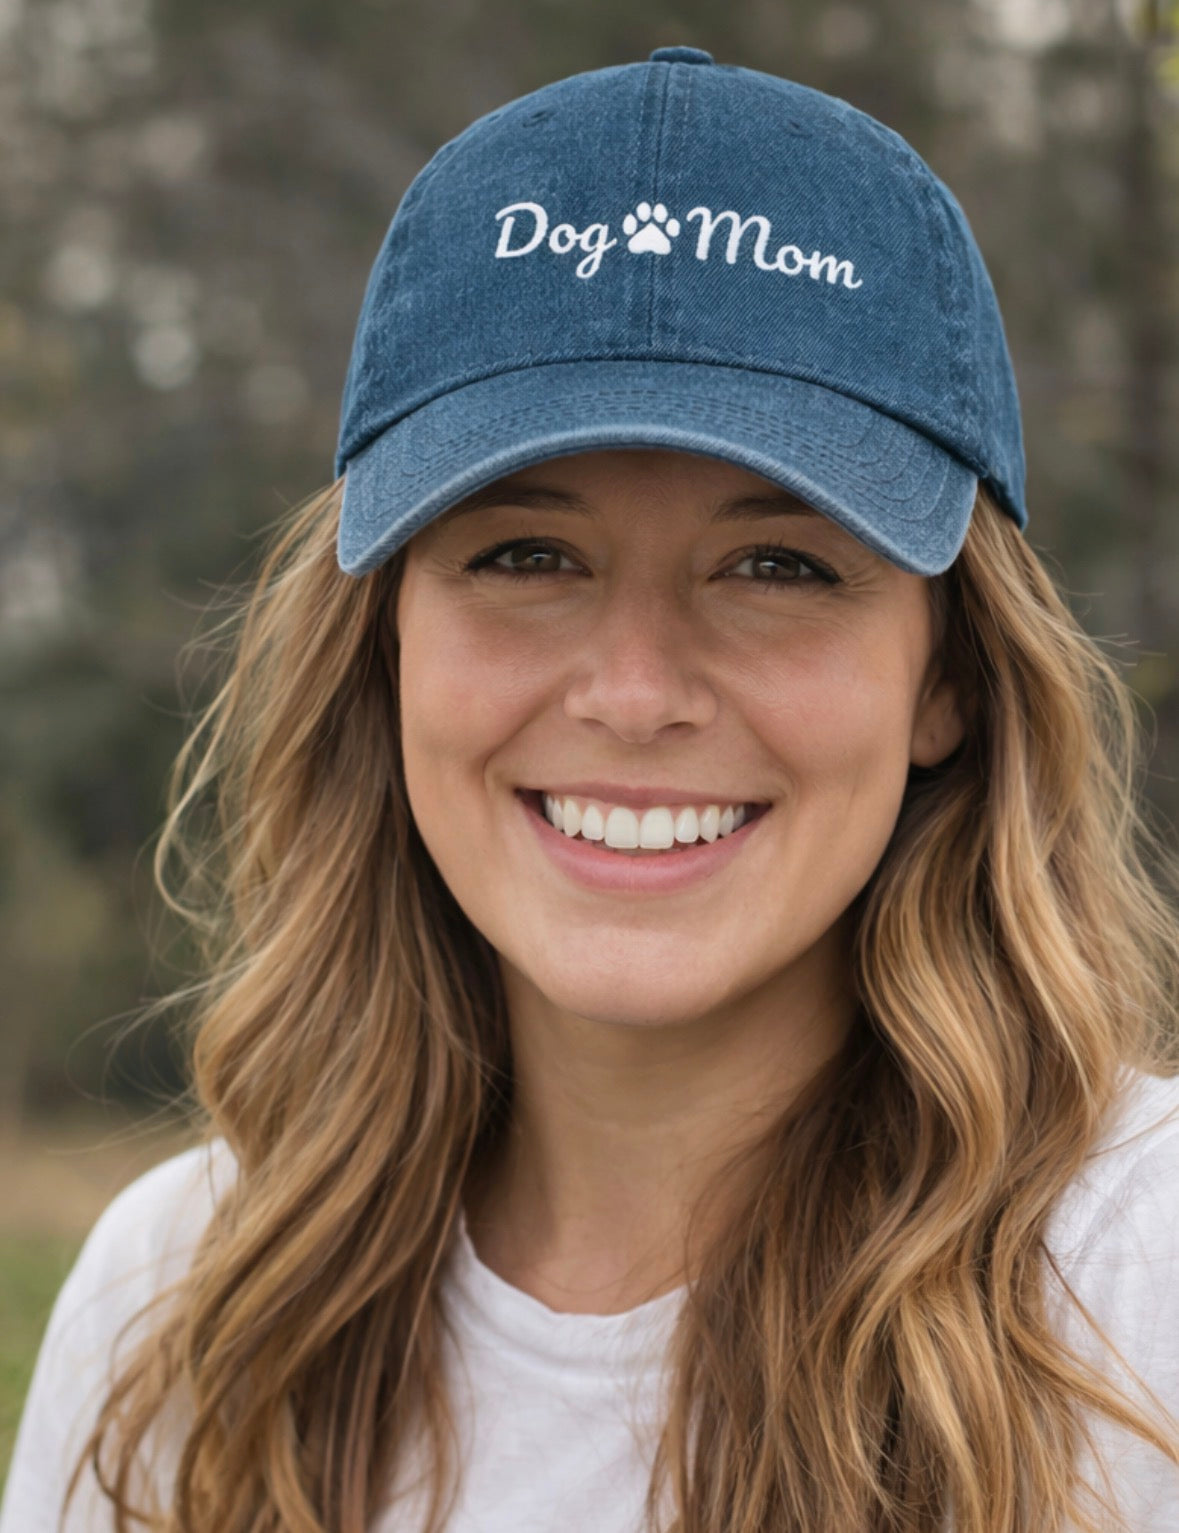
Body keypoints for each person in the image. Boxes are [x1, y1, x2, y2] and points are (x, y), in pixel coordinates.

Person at [3, 43, 1178, 1533]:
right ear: (387, 643)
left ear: (947, 673)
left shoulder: (1144, 1290)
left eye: (777, 565)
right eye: (527, 555)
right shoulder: (180, 1303)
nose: (633, 691)